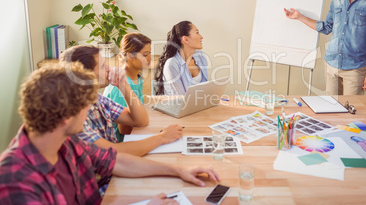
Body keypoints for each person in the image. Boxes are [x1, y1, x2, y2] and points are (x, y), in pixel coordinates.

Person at [0, 63, 219, 204]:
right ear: (66, 117)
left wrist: (179, 171)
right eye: (86, 105)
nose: (90, 109)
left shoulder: (67, 141)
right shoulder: (15, 181)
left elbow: (116, 162)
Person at [59, 45, 183, 157]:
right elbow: (113, 152)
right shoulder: (72, 115)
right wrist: (162, 138)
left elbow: (140, 120)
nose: (109, 68)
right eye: (103, 66)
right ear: (85, 75)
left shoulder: (96, 98)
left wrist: (123, 85)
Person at [103, 32, 153, 142]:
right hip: (122, 143)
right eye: (145, 55)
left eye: (150, 53)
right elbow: (124, 130)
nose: (149, 58)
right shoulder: (120, 86)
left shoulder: (136, 78)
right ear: (129, 56)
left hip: (135, 133)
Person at [154, 21, 208, 95]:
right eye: (197, 32)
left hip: (199, 104)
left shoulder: (201, 57)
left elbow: (205, 89)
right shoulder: (172, 64)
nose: (201, 37)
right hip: (178, 105)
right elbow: (180, 99)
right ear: (186, 39)